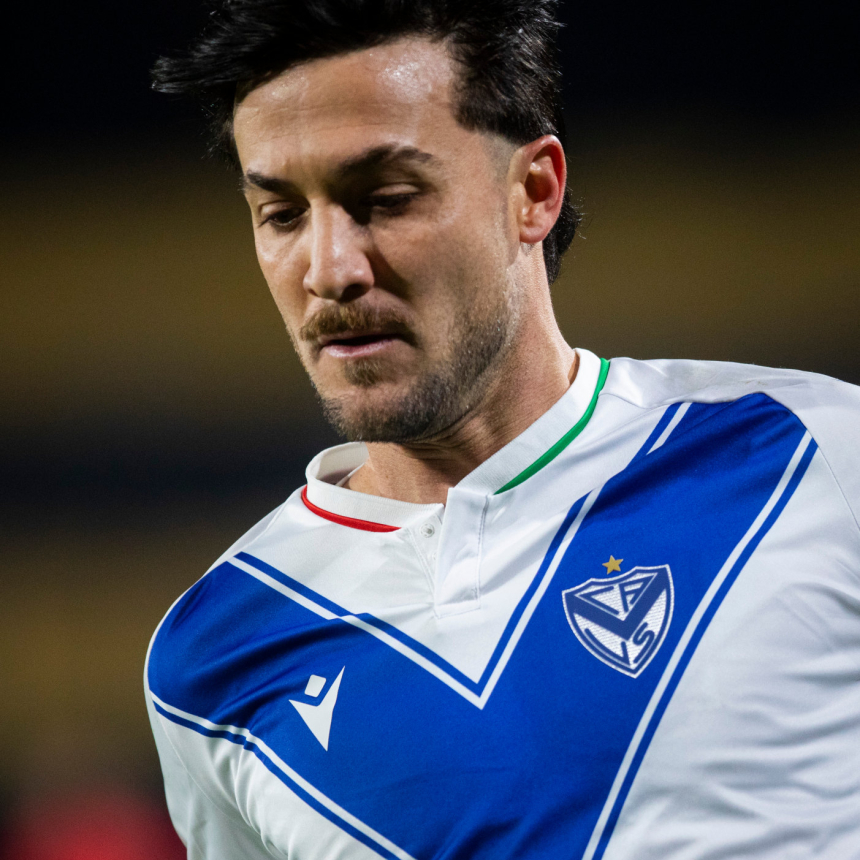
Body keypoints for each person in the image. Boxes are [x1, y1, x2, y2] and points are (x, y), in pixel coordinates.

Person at [144, 1, 860, 858]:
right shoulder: (213, 663)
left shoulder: (810, 453)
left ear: (534, 192)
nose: (329, 269)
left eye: (387, 199)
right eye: (282, 214)